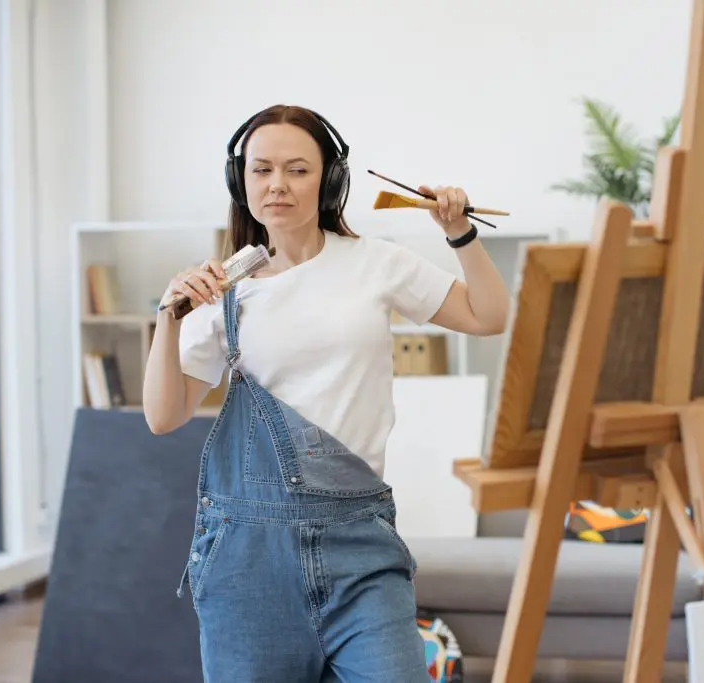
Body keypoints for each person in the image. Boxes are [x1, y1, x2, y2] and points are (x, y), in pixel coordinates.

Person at [142, 104, 510, 682]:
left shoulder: (376, 263)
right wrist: (168, 316)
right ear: (241, 180)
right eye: (261, 170)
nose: (278, 186)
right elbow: (163, 416)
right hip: (248, 562)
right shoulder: (225, 294)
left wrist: (458, 233)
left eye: (297, 169)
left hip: (360, 545)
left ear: (329, 180)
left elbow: (488, 316)